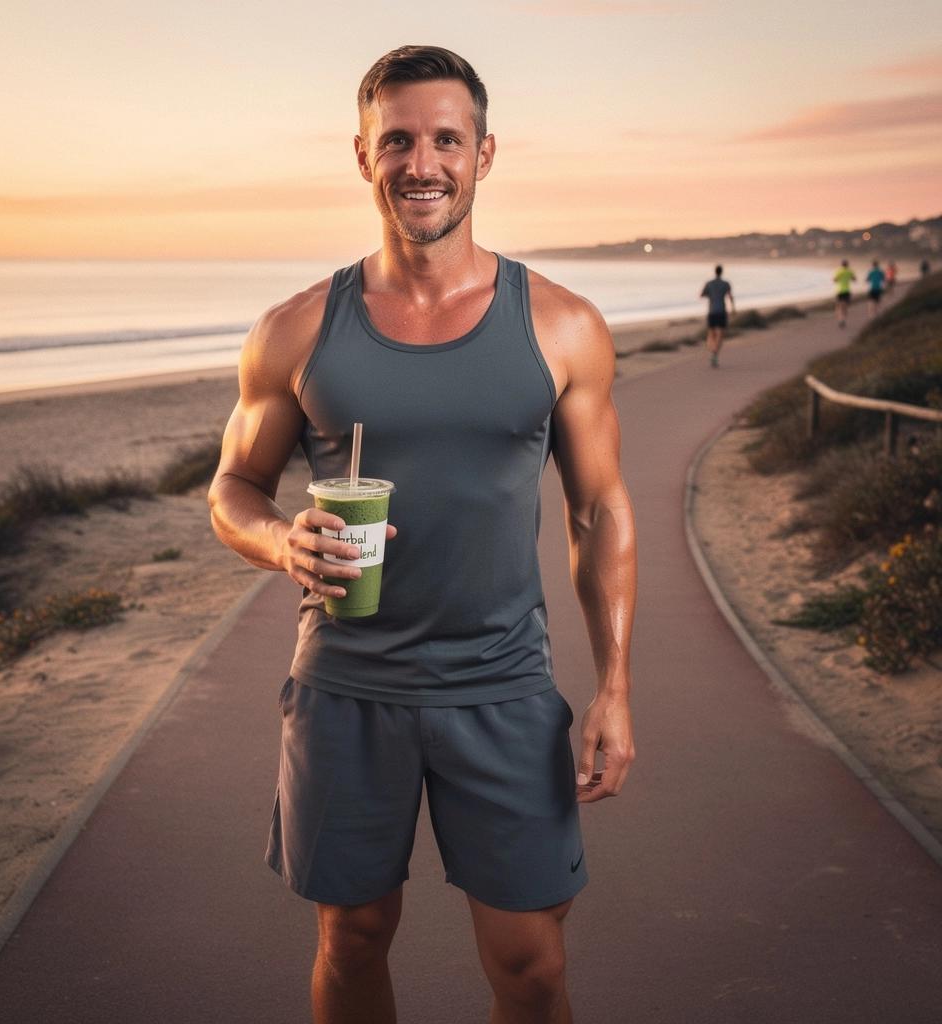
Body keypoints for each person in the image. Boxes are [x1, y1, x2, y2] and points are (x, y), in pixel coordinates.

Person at [208, 45, 638, 1024]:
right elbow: (233, 488)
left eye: (446, 139)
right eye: (397, 140)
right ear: (363, 155)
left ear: (484, 154)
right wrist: (281, 542)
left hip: (503, 686)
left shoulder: (563, 324)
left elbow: (600, 509)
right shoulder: (296, 329)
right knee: (350, 939)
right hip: (346, 687)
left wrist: (614, 684)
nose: (422, 162)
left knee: (532, 964)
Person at [699, 265, 735, 368]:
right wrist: (733, 309)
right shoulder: (725, 284)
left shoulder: (709, 283)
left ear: (715, 271)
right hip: (721, 311)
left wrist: (711, 295)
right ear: (721, 272)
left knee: (711, 333)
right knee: (720, 334)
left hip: (712, 311)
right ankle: (714, 353)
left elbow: (701, 295)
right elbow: (730, 296)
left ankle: (712, 350)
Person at [833, 258, 857, 328]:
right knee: (845, 307)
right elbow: (854, 279)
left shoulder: (839, 271)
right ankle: (843, 319)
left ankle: (840, 319)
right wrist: (848, 278)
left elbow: (835, 280)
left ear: (841, 264)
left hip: (840, 291)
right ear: (847, 265)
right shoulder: (850, 271)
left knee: (839, 306)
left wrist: (840, 279)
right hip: (847, 291)